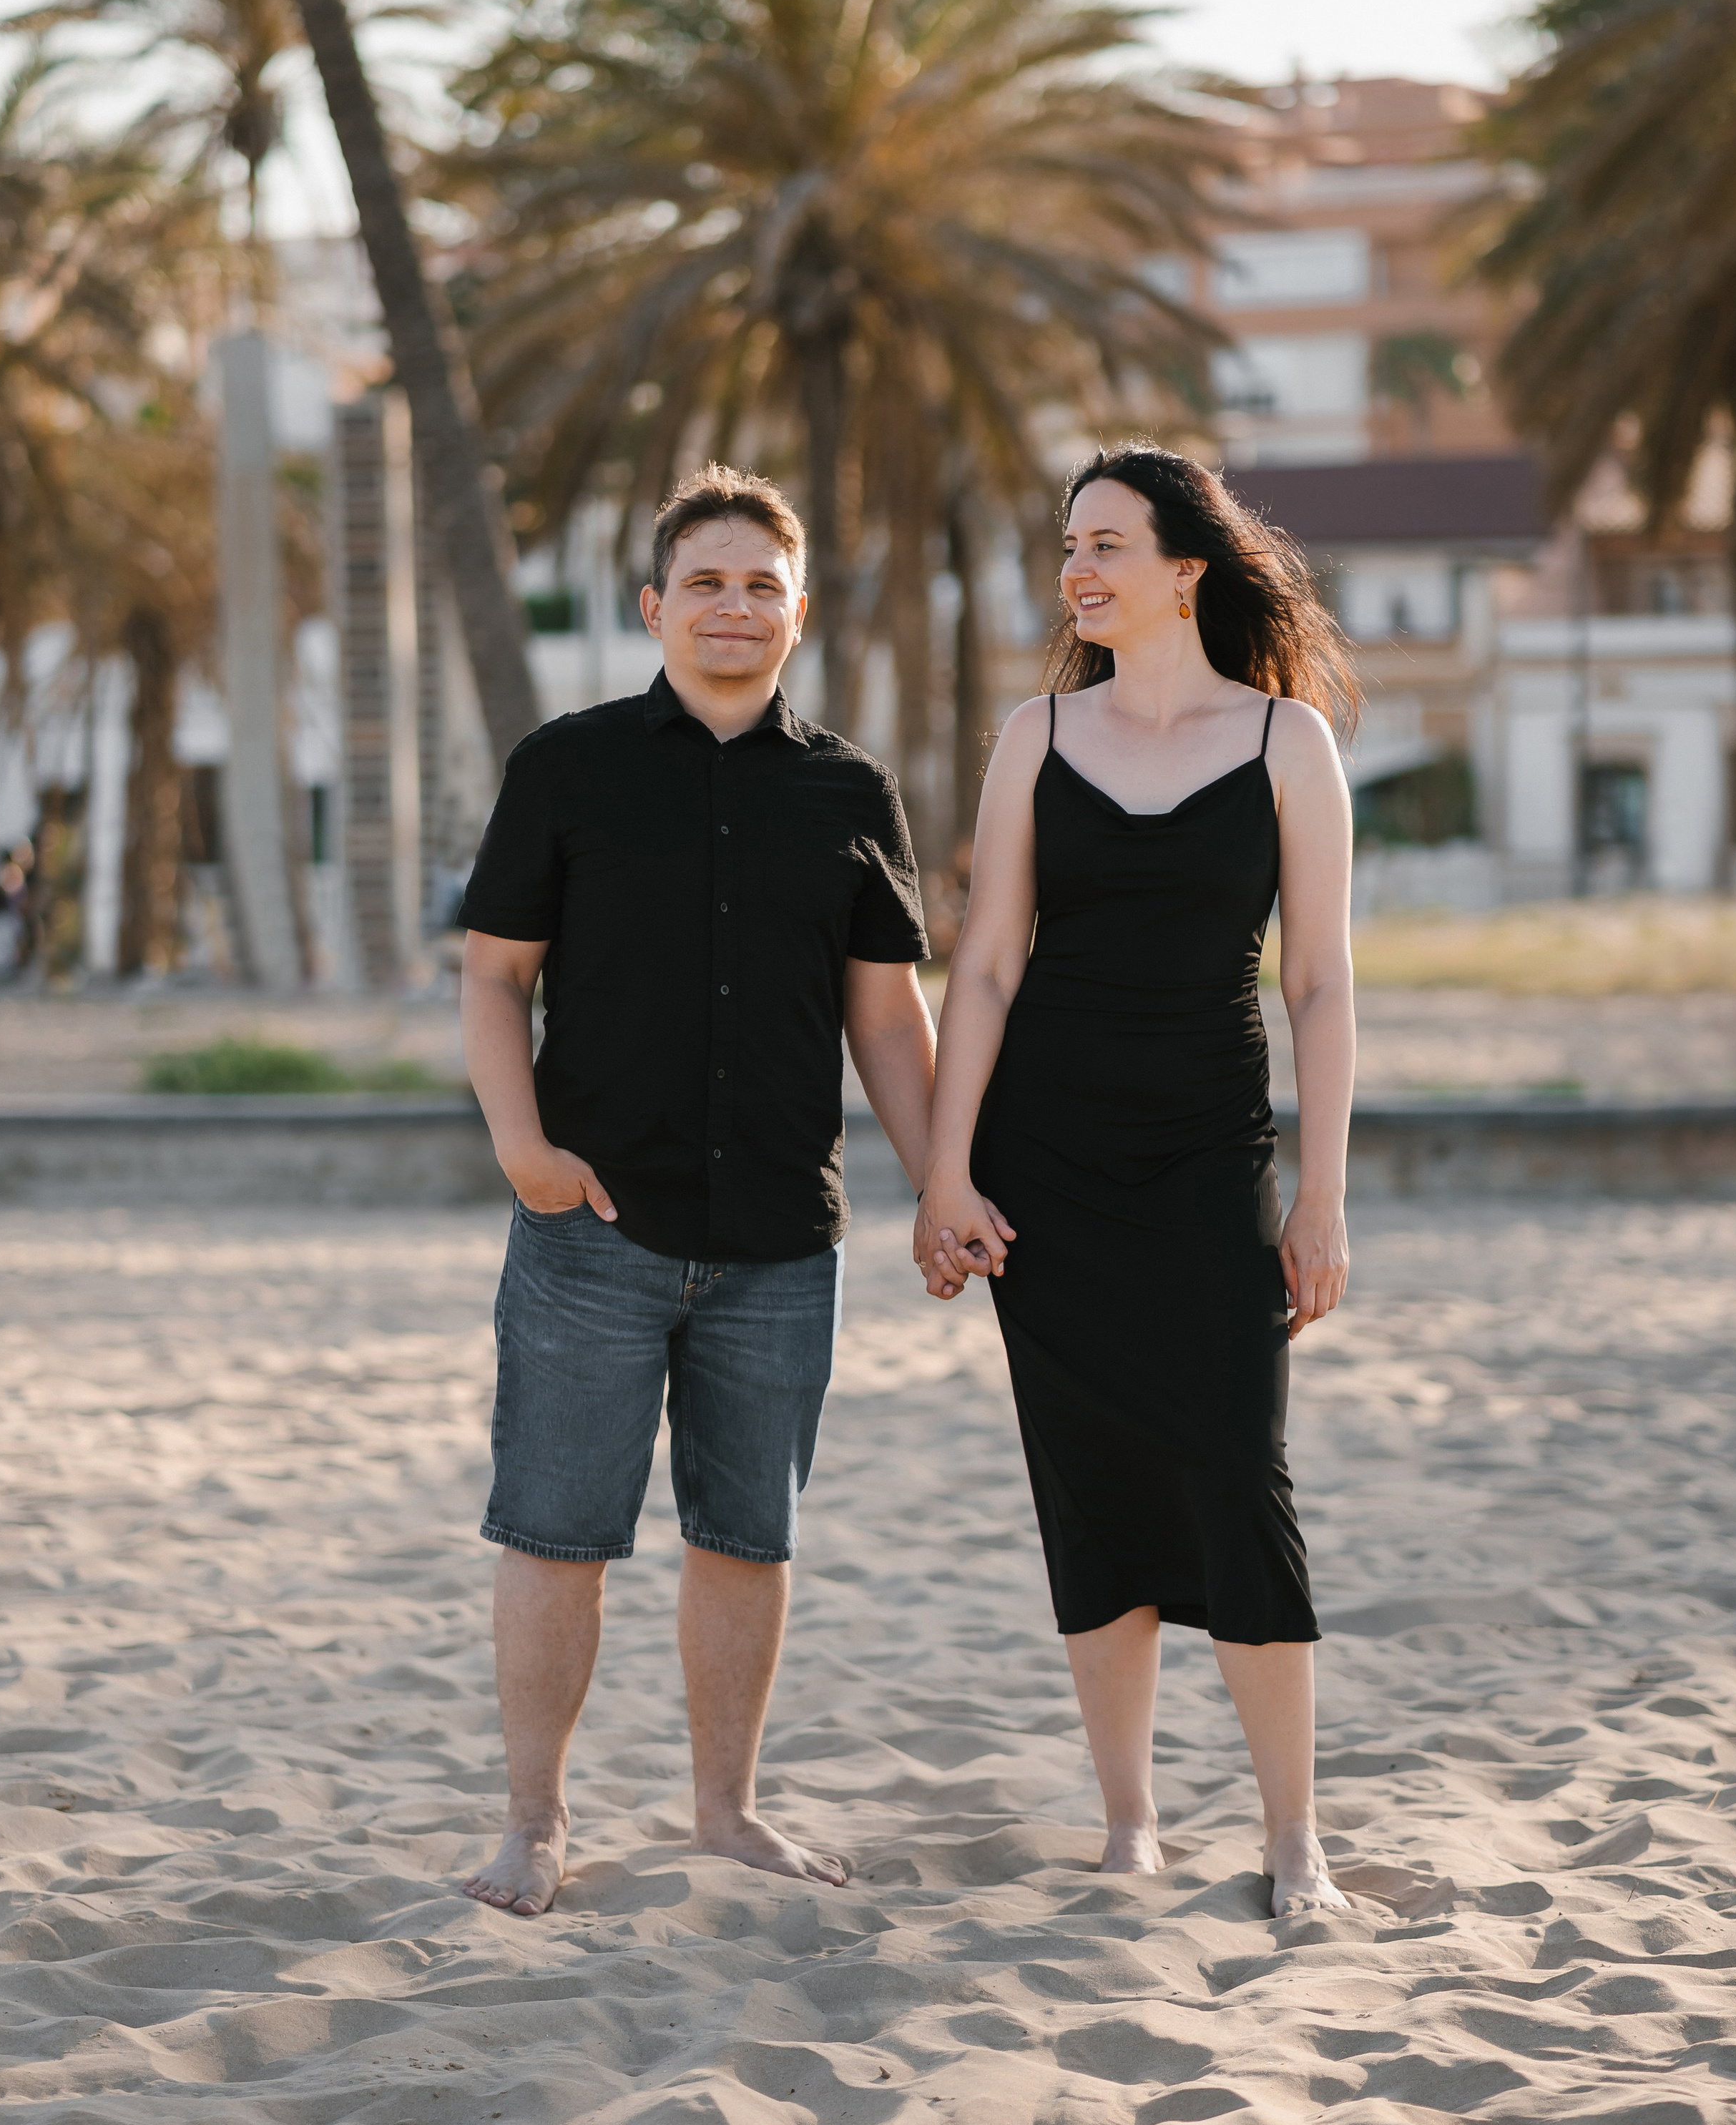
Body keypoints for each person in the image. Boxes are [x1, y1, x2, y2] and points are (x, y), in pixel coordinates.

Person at [457, 465, 936, 1917]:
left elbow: (887, 1021)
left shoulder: (850, 792)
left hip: (784, 1244)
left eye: (761, 585)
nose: (735, 606)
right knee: (555, 1534)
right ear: (656, 607)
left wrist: (941, 1185)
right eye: (707, 583)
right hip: (590, 1229)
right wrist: (523, 1151)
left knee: (747, 1536)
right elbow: (491, 978)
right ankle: (535, 1821)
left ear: (797, 614)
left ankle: (723, 1811)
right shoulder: (566, 767)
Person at [916, 443, 1360, 1917]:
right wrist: (943, 1170)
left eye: (1106, 544)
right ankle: (1129, 1827)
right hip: (1048, 1166)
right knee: (1090, 1484)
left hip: (1210, 1153)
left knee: (1237, 1473)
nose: (1077, 571)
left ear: (1186, 567)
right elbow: (980, 967)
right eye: (1066, 548)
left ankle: (1291, 1838)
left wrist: (1318, 1194)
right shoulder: (1035, 736)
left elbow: (1318, 987)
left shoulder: (1286, 742)